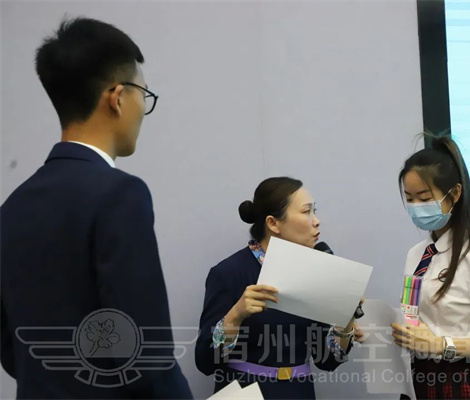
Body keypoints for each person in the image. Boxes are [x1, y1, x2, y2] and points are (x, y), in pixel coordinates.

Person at [0, 18, 192, 398]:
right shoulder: (120, 195)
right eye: (143, 94)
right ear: (117, 97)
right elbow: (146, 356)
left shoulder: (11, 208)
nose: (143, 107)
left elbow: (10, 346)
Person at [195, 177, 363, 399]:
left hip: (299, 392)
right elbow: (205, 361)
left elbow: (328, 360)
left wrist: (346, 318)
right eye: (306, 212)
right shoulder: (229, 273)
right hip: (245, 390)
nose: (316, 221)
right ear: (273, 223)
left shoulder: (315, 274)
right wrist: (235, 316)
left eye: (315, 211)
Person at [391, 134, 470, 399]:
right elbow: (413, 317)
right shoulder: (416, 255)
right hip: (420, 379)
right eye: (410, 199)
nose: (416, 207)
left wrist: (442, 345)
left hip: (460, 382)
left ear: (455, 193)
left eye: (424, 198)